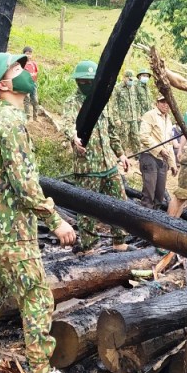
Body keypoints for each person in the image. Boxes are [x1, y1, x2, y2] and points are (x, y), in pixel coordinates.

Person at [0, 52, 77, 373]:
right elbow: (24, 184)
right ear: (3, 83)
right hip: (9, 230)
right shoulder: (11, 123)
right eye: (17, 68)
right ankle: (41, 372)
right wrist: (55, 219)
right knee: (37, 295)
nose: (26, 71)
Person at [63, 60, 130, 253]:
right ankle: (89, 247)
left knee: (120, 203)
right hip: (87, 168)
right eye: (82, 81)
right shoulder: (72, 103)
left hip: (108, 163)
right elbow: (67, 124)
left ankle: (119, 241)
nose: (86, 84)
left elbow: (111, 131)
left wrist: (122, 154)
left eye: (89, 81)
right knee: (87, 210)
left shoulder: (103, 101)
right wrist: (73, 137)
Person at [138, 94, 177, 209]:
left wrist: (172, 163)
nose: (165, 104)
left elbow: (169, 143)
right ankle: (143, 221)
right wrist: (159, 150)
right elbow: (144, 136)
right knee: (149, 192)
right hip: (149, 156)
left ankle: (155, 220)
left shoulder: (168, 119)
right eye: (162, 102)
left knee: (159, 194)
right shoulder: (150, 115)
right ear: (157, 103)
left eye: (167, 102)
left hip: (163, 159)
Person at [112, 69, 140, 153]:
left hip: (133, 117)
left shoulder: (133, 87)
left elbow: (136, 102)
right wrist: (116, 118)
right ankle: (121, 156)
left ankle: (138, 154)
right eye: (129, 79)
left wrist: (138, 114)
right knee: (123, 139)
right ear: (124, 78)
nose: (131, 81)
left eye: (132, 79)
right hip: (123, 119)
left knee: (136, 137)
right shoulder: (117, 88)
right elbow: (114, 104)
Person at [22, 46, 40, 119]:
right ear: (23, 54)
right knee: (26, 100)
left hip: (33, 84)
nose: (28, 55)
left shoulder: (34, 64)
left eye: (30, 54)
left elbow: (36, 73)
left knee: (35, 100)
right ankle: (28, 117)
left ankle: (36, 117)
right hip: (25, 85)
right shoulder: (22, 64)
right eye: (27, 53)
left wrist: (34, 82)